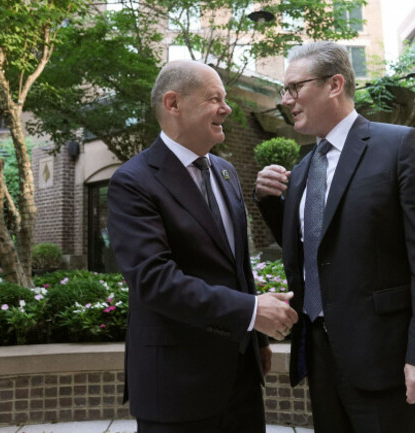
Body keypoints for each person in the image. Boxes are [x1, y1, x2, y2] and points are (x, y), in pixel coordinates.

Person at [255, 42, 415, 433]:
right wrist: (267, 201)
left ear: (335, 84)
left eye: (295, 87)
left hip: (388, 360)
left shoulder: (399, 146)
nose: (286, 100)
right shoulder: (302, 168)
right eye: (284, 90)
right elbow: (314, 245)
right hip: (320, 357)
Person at [107, 60, 298, 433]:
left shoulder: (226, 173)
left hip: (241, 378)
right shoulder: (132, 182)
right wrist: (250, 310)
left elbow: (237, 268)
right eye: (214, 99)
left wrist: (256, 338)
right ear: (173, 104)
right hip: (176, 387)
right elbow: (154, 280)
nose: (226, 109)